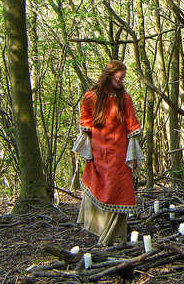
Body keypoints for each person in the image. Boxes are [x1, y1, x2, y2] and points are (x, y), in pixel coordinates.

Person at [72, 60, 144, 245]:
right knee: (100, 187)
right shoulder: (91, 97)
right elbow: (86, 122)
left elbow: (132, 126)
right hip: (98, 153)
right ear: (110, 75)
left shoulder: (124, 99)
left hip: (119, 154)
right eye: (120, 77)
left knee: (117, 190)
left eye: (124, 78)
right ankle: (101, 230)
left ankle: (115, 236)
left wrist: (134, 155)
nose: (122, 81)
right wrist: (89, 148)